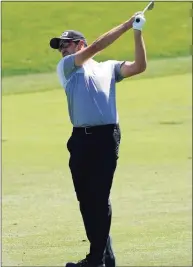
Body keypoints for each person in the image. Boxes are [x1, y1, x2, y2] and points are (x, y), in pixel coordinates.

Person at [49, 11, 147, 267]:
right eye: (59, 46)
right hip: (80, 140)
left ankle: (95, 260)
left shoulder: (108, 68)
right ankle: (106, 257)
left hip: (106, 138)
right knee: (87, 200)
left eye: (66, 44)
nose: (61, 49)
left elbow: (139, 66)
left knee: (100, 196)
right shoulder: (67, 67)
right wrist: (126, 24)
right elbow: (97, 46)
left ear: (79, 44)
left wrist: (136, 32)